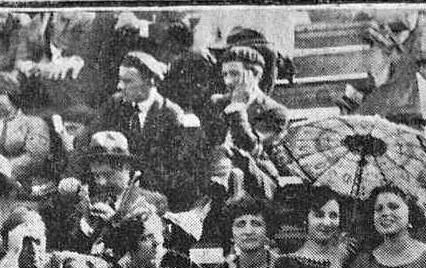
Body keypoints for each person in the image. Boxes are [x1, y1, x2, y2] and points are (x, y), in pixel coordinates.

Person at [74, 50, 202, 209]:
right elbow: (85, 138)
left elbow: (177, 171)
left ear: (150, 82)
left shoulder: (172, 115)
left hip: (156, 197)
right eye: (120, 80)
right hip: (116, 189)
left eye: (127, 81)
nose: (120, 86)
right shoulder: (115, 104)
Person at [46, 130, 167, 255]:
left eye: (107, 175)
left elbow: (150, 250)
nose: (101, 183)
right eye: (96, 176)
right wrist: (86, 223)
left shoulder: (153, 201)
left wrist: (115, 222)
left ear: (125, 167)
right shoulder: (92, 203)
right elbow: (76, 248)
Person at [205, 45, 289, 200]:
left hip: (258, 180)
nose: (228, 81)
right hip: (219, 175)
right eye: (225, 74)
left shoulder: (275, 112)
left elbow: (251, 148)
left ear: (256, 75)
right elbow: (210, 142)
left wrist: (237, 108)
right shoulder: (218, 102)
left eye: (235, 74)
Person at [207, 196, 286, 268]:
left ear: (268, 230)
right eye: (240, 224)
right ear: (230, 233)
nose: (249, 231)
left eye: (256, 224)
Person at [279, 189, 347, 268]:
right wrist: (337, 262)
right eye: (319, 215)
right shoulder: (288, 263)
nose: (327, 223)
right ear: (305, 219)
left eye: (333, 215)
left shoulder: (347, 259)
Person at [158, 18, 222, 119]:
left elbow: (196, 92)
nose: (166, 49)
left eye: (168, 43)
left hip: (194, 113)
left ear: (175, 42)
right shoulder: (185, 59)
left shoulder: (191, 60)